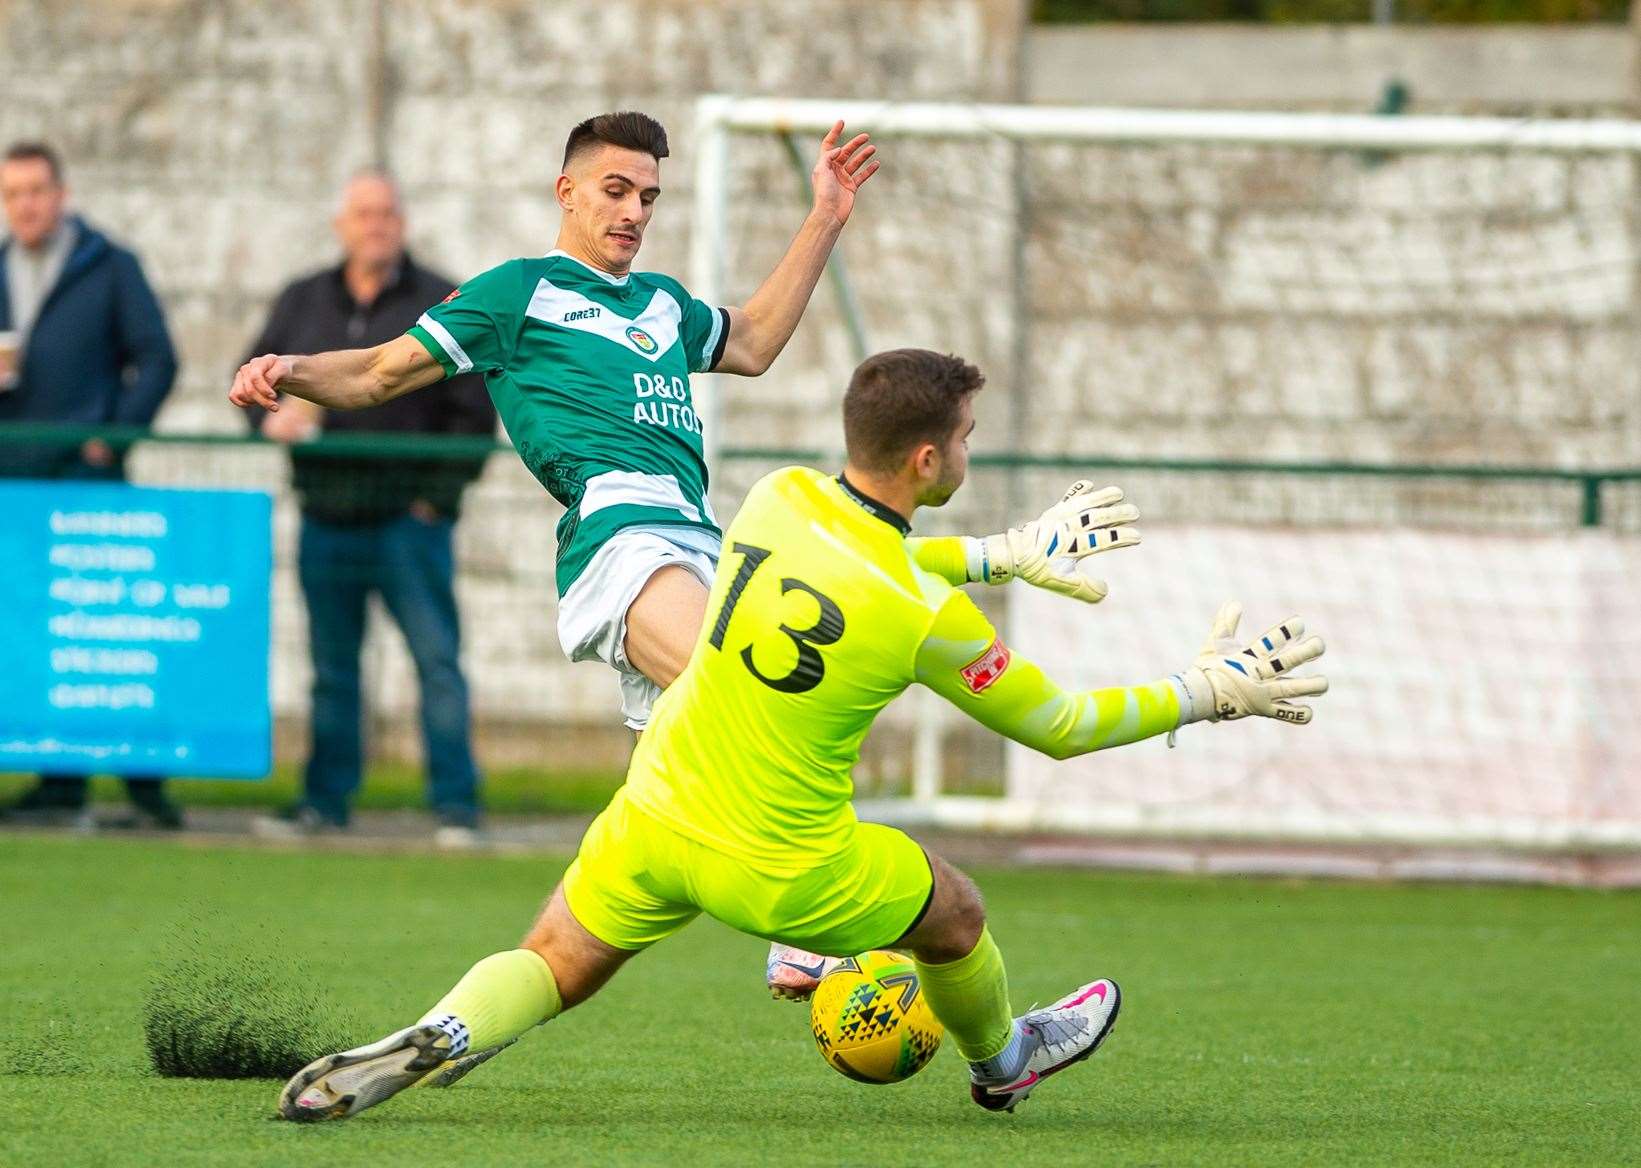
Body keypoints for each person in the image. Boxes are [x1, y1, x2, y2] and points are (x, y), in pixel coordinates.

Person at [274, 348, 1329, 1123]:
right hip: (785, 868)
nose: (969, 446)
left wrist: (1001, 551)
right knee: (955, 911)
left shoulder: (774, 502)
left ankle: (447, 1029)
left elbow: (864, 558)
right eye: (963, 437)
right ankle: (1006, 1056)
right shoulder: (923, 616)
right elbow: (1058, 725)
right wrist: (1204, 691)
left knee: (554, 958)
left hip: (656, 810)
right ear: (927, 457)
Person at [230, 111, 1129, 989]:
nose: (632, 211)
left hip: (699, 546)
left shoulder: (659, 304)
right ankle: (802, 934)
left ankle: (461, 1022)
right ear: (567, 191)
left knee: (693, 791)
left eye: (649, 197)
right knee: (747, 681)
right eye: (615, 190)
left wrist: (823, 217)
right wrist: (290, 371)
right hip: (618, 537)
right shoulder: (516, 293)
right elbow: (382, 371)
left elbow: (752, 342)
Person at [241, 171, 496, 846]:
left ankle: (456, 807)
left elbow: (474, 414)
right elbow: (251, 378)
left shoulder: (442, 298)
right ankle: (324, 802)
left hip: (407, 524)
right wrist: (270, 420)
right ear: (341, 224)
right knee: (331, 670)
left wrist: (432, 502)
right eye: (362, 213)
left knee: (435, 662)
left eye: (386, 213)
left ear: (402, 222)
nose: (375, 224)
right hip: (326, 517)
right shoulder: (302, 300)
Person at [0, 140, 181, 830]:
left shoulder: (107, 265)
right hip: (13, 484)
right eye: (13, 193)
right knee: (38, 638)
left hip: (86, 480)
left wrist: (117, 434)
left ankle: (148, 785)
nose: (26, 205)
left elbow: (158, 357)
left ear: (61, 193)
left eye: (37, 190)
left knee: (111, 628)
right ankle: (58, 782)